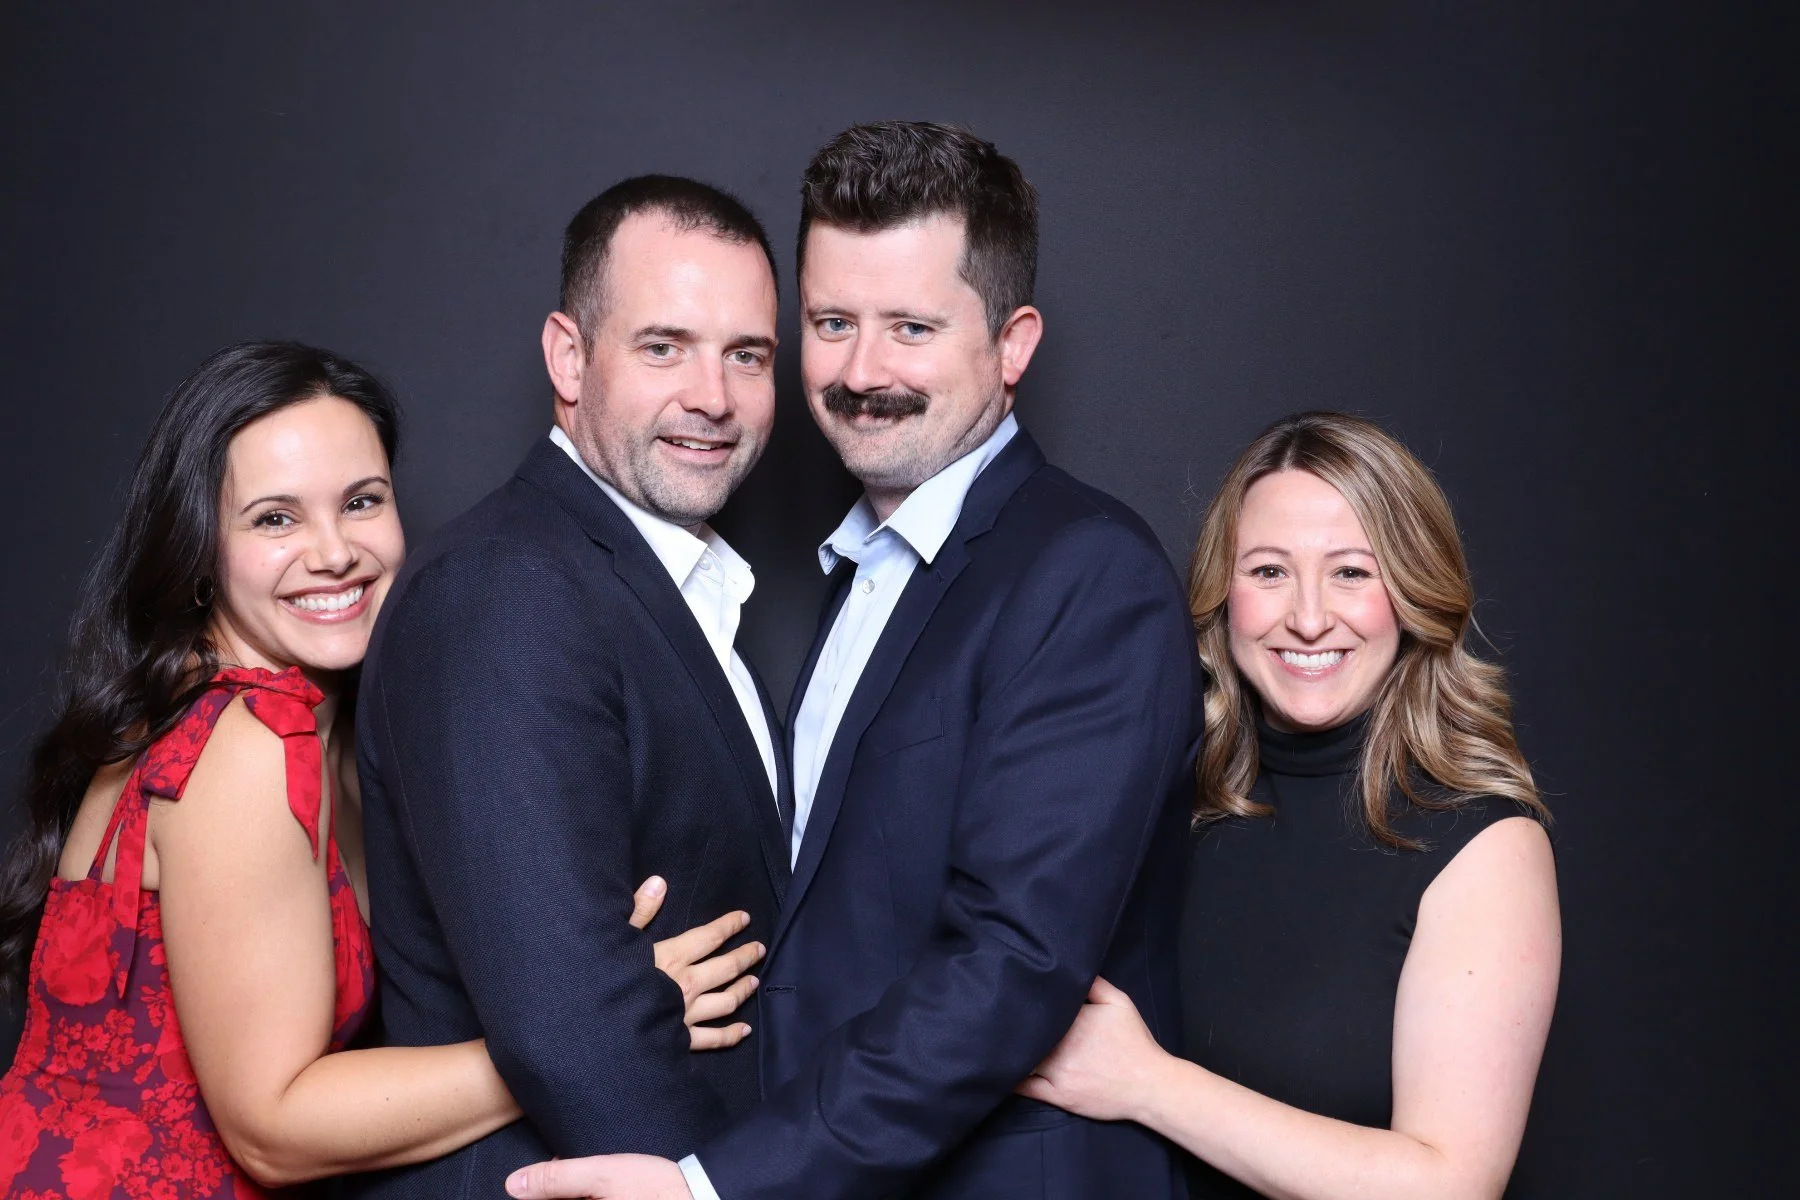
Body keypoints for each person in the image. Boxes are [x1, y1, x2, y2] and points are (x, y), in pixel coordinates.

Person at [505, 122, 1201, 1200]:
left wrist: (717, 1188)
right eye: (832, 324)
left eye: (911, 328)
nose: (862, 373)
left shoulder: (1086, 577)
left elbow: (1008, 967)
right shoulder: (863, 574)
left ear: (1012, 345)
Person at [346, 175, 789, 1198]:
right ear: (568, 357)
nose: (712, 397)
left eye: (747, 356)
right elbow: (568, 1022)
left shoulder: (655, 584)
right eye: (663, 346)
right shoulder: (506, 590)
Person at [0, 342, 515, 1196]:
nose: (333, 552)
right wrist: (581, 1038)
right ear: (201, 549)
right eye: (275, 519)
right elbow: (275, 1128)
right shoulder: (240, 741)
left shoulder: (319, 721)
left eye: (361, 502)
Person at [1014, 411, 1561, 1198]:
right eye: (1269, 571)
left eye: (1351, 572)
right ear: (1221, 595)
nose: (1308, 617)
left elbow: (1449, 1185)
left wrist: (1149, 1084)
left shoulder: (1484, 847)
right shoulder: (1171, 798)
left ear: (1411, 590)